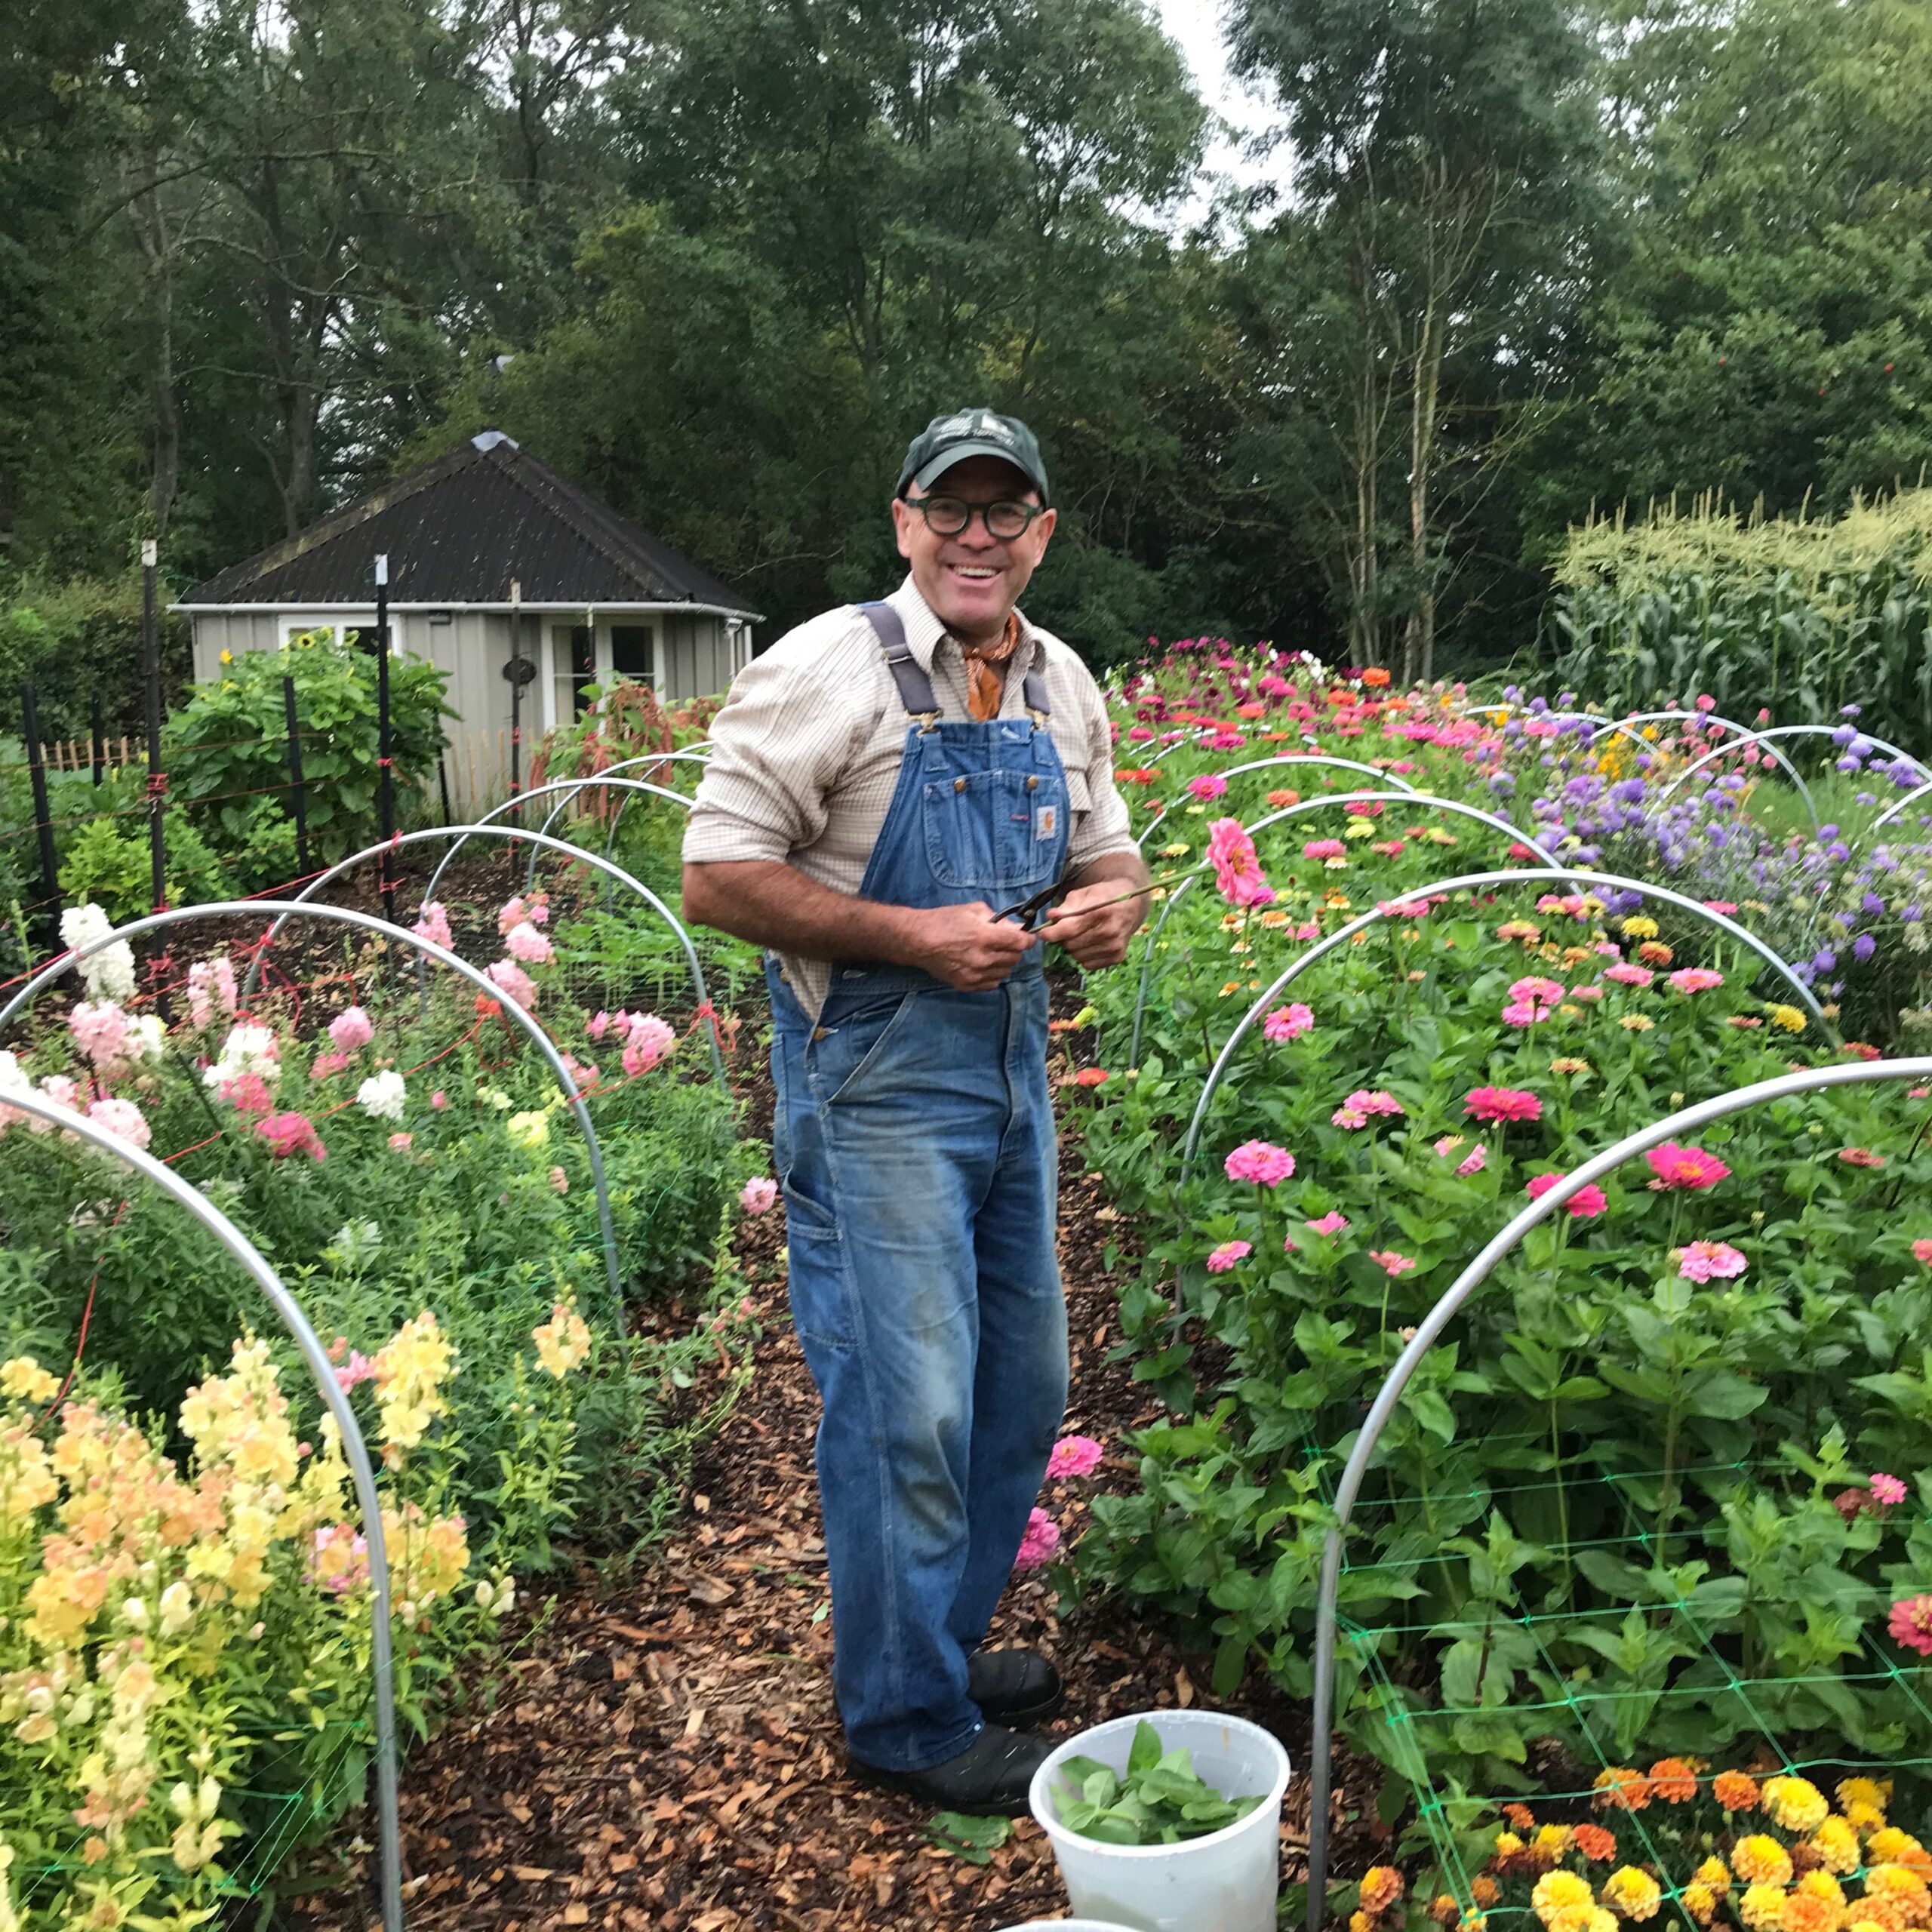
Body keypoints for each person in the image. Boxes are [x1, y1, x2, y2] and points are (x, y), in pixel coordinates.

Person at [681, 408, 1150, 1812]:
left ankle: (933, 1647)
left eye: (1008, 513)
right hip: (877, 1080)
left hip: (1009, 1073)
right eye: (953, 509)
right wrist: (910, 935)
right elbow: (717, 872)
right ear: (905, 523)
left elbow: (1111, 850)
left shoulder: (1064, 681)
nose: (978, 536)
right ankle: (904, 1722)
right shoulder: (832, 666)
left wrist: (1118, 905)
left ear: (1042, 536)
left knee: (1019, 1390)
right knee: (908, 1407)